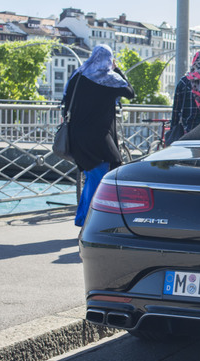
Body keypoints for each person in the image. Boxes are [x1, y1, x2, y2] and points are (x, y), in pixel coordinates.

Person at [62, 44, 135, 226]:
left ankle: (82, 218)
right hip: (98, 137)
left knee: (93, 175)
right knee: (100, 176)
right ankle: (88, 221)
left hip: (76, 135)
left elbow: (65, 101)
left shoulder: (78, 75)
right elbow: (130, 92)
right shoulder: (109, 79)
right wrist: (117, 69)